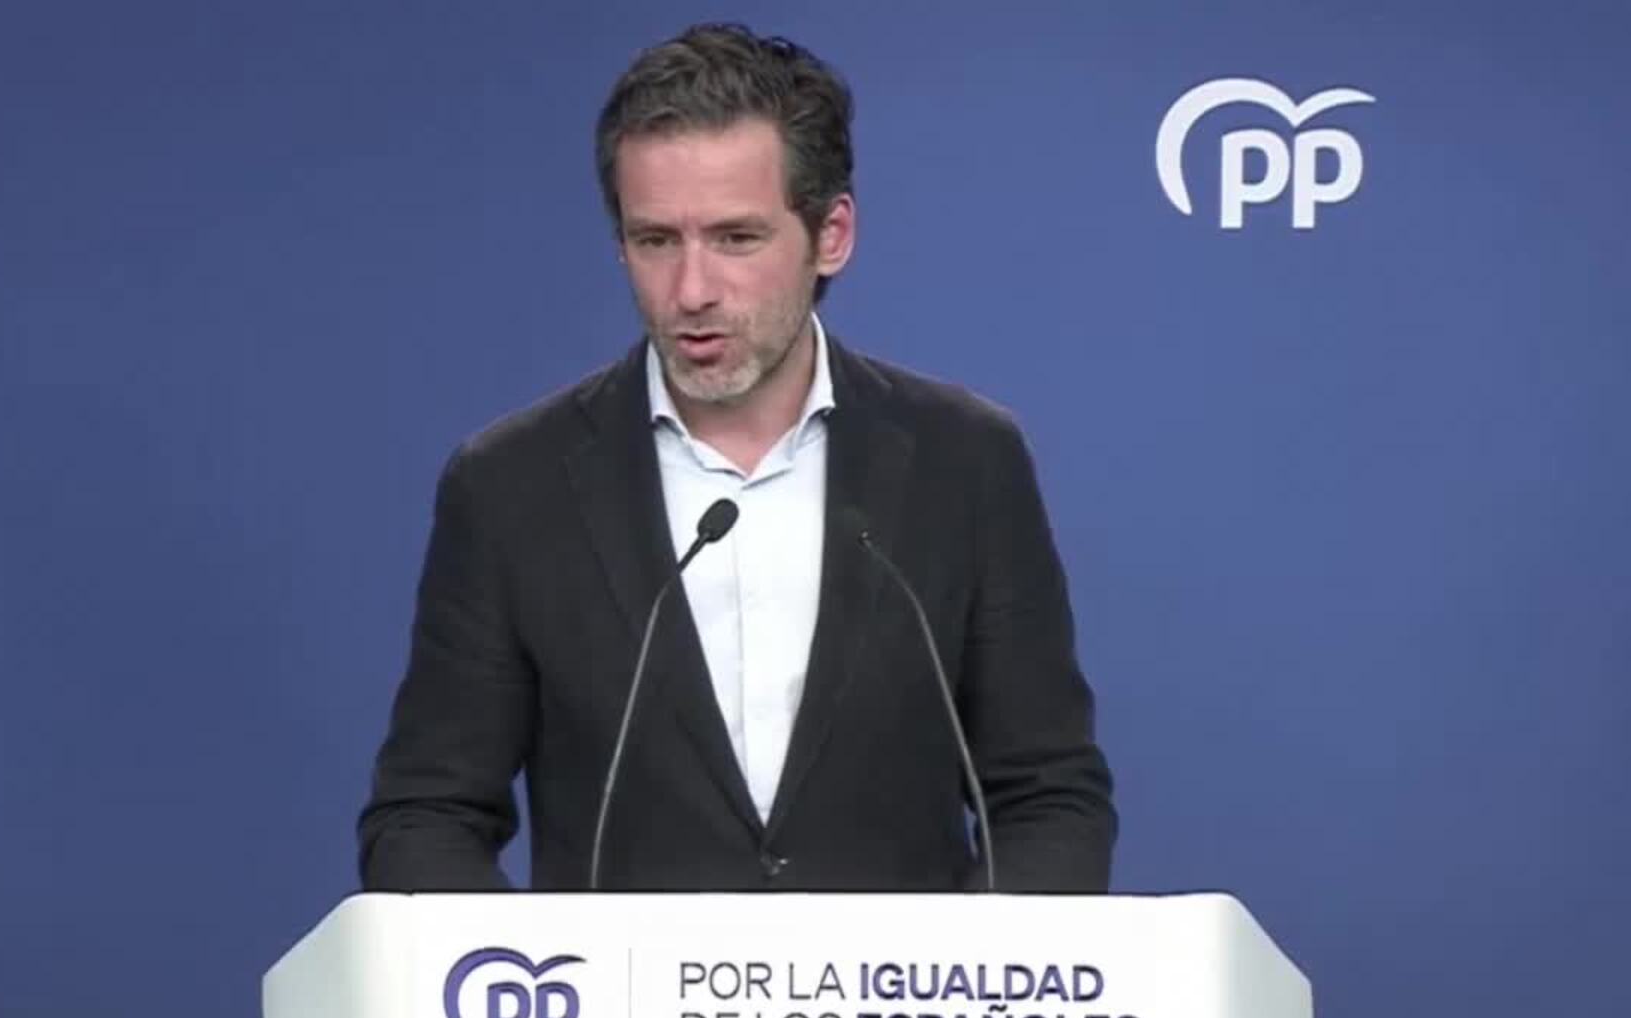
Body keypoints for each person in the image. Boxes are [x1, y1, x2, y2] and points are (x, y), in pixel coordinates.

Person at [357, 22, 1115, 893]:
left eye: (736, 239)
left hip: (901, 986)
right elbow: (426, 818)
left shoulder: (966, 462)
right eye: (655, 240)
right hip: (613, 987)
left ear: (831, 234)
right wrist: (528, 979)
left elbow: (1048, 800)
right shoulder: (509, 485)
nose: (691, 291)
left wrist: (964, 974)